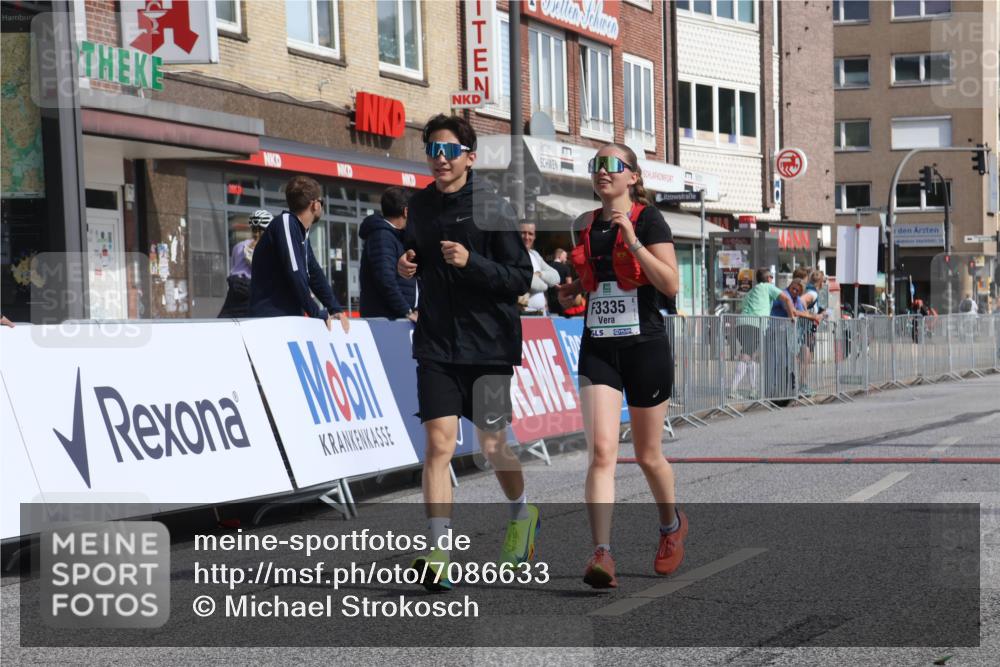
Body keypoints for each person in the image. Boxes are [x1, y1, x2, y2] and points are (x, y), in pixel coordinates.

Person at [397, 114, 536, 591]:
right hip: (436, 343)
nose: (440, 158)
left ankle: (522, 515)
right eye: (433, 150)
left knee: (494, 446)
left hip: (489, 347)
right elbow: (415, 255)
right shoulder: (419, 206)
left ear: (469, 157)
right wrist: (407, 264)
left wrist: (471, 261)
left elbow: (520, 278)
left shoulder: (493, 206)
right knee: (438, 446)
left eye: (449, 150)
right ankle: (439, 552)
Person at [557, 143, 684, 589]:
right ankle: (602, 554)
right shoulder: (585, 225)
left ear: (633, 175)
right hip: (599, 347)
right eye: (596, 165)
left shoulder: (649, 219)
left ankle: (671, 528)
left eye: (612, 165)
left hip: (645, 345)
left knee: (648, 455)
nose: (602, 172)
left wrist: (633, 241)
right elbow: (598, 282)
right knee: (603, 452)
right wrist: (572, 290)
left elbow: (669, 284)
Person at [249, 175, 348, 332]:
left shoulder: (301, 232)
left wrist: (335, 308)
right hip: (272, 319)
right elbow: (295, 272)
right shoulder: (286, 223)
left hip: (288, 318)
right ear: (315, 205)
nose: (322, 206)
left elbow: (314, 273)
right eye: (321, 202)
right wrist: (316, 312)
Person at [730, 268, 796, 399]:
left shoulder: (752, 291)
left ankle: (753, 389)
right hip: (755, 324)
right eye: (772, 276)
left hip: (741, 324)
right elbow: (787, 299)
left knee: (751, 356)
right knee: (746, 356)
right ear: (769, 278)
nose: (772, 279)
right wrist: (791, 317)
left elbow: (742, 307)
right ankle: (733, 389)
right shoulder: (768, 287)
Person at [359, 186, 417, 321]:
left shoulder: (397, 236)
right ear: (406, 211)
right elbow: (385, 279)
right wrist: (406, 311)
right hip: (386, 320)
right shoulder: (382, 236)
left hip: (395, 318)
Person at [219, 209, 272, 318]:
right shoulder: (270, 249)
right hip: (252, 293)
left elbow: (234, 266)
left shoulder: (238, 247)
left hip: (234, 290)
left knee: (224, 323)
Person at [518, 222, 560, 315]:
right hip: (523, 314)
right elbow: (523, 280)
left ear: (534, 236)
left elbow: (556, 276)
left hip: (541, 314)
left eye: (530, 234)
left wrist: (539, 274)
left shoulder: (534, 255)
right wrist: (545, 285)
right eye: (523, 233)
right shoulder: (513, 254)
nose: (527, 237)